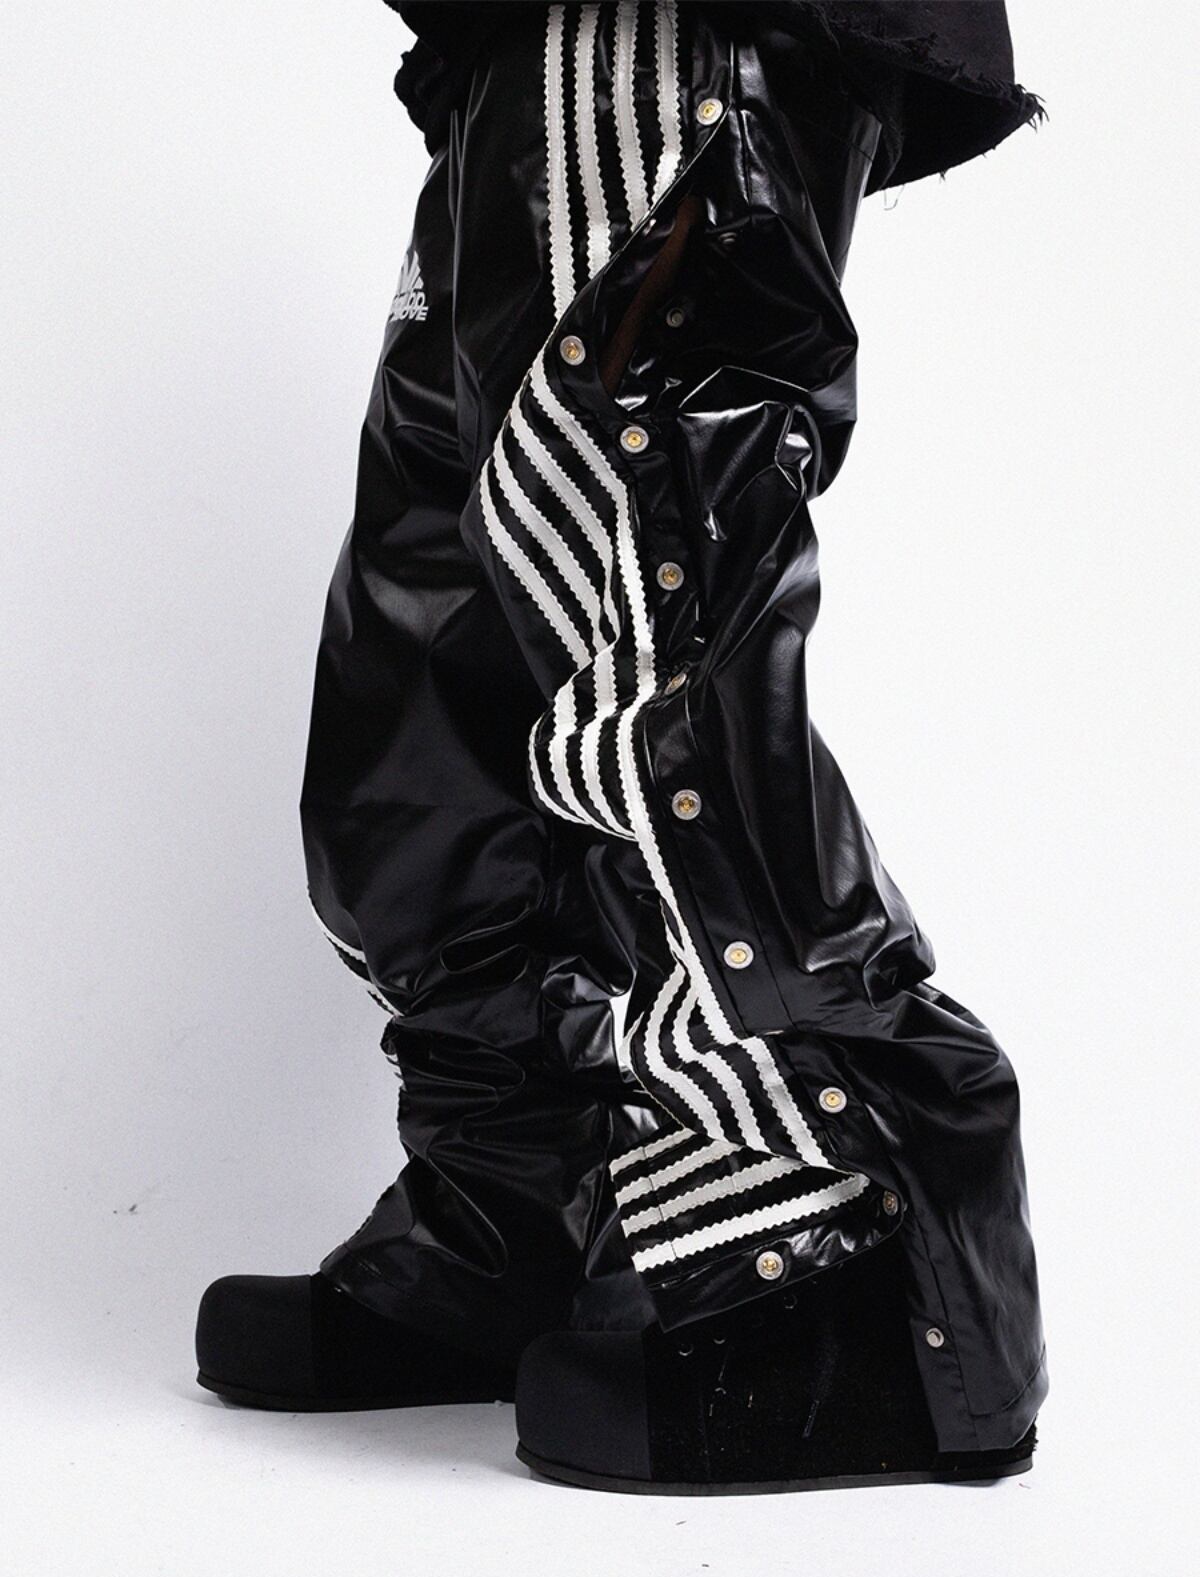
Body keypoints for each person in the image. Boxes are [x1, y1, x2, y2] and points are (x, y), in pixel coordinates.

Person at [195, 0, 1047, 1493]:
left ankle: (852, 1244)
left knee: (642, 612)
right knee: (427, 662)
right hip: (498, 44)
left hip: (671, 20)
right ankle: (518, 1206)